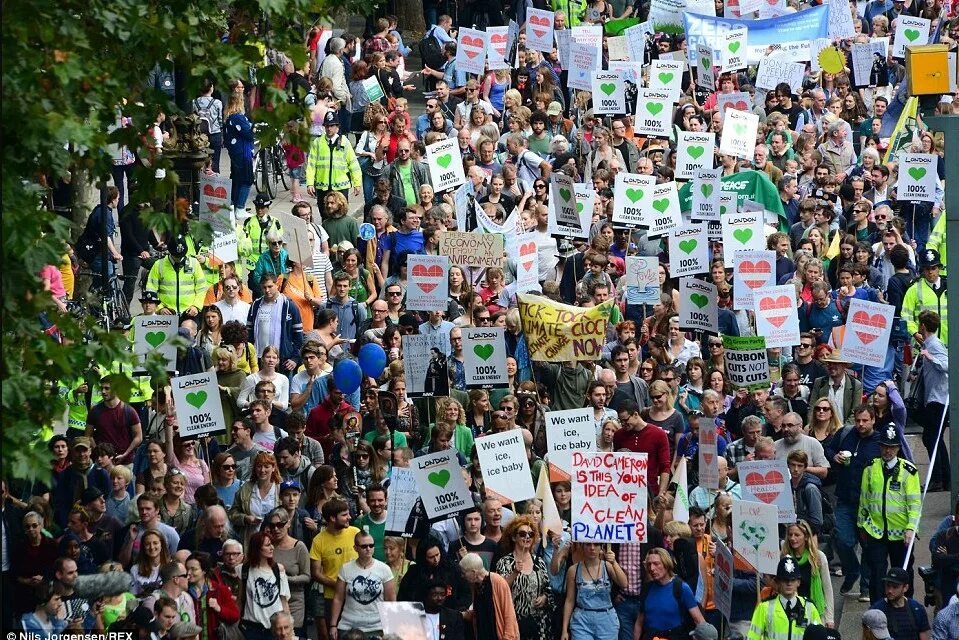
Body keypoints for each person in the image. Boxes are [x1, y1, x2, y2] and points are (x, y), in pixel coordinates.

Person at [859, 422, 922, 603]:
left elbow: (915, 503)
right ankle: (877, 610)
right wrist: (861, 525)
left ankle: (905, 608)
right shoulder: (870, 468)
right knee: (877, 573)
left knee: (902, 572)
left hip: (901, 533)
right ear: (880, 446)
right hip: (876, 531)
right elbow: (864, 499)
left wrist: (911, 528)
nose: (888, 451)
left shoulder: (909, 471)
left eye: (892, 447)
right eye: (885, 446)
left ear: (898, 448)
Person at [328, 530, 395, 638]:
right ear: (356, 548)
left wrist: (390, 626)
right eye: (364, 546)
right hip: (348, 626)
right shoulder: (346, 568)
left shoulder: (384, 569)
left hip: (376, 627)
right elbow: (338, 598)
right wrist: (333, 625)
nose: (368, 549)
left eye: (371, 545)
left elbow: (390, 599)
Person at [309, 499, 359, 640]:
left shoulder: (356, 533)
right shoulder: (319, 540)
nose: (349, 517)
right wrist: (338, 585)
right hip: (329, 596)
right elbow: (316, 573)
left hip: (353, 595)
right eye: (344, 515)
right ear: (332, 518)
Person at [560, 542, 627, 640]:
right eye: (588, 544)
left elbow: (624, 584)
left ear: (601, 547)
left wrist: (614, 562)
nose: (592, 548)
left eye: (596, 544)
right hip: (582, 620)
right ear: (582, 546)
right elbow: (569, 600)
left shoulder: (607, 566)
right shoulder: (573, 570)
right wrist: (564, 630)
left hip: (607, 619)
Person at [634, 548, 705, 639]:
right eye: (649, 564)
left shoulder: (681, 588)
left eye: (656, 564)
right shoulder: (647, 589)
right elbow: (639, 623)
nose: (652, 568)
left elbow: (699, 621)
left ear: (666, 564)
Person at [915, 309, 951, 492]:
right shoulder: (928, 344)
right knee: (934, 438)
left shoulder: (934, 345)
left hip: (939, 400)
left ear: (923, 326)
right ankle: (945, 478)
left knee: (931, 438)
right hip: (934, 398)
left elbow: (947, 365)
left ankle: (938, 479)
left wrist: (930, 358)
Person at [747, 556, 823, 640]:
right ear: (778, 582)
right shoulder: (764, 608)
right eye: (785, 580)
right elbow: (752, 637)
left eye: (792, 579)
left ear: (798, 582)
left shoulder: (809, 608)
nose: (789, 583)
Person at [305, 111, 362, 216]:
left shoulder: (345, 142)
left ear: (337, 127)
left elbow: (353, 164)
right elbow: (311, 165)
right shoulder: (317, 143)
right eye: (326, 126)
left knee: (340, 215)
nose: (329, 128)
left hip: (341, 187)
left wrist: (357, 183)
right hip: (322, 186)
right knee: (324, 215)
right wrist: (309, 183)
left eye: (332, 126)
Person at [239, 532, 291, 640]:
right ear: (257, 548)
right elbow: (241, 598)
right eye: (267, 545)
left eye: (271, 544)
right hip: (252, 627)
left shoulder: (278, 569)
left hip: (275, 628)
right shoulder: (244, 570)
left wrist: (290, 628)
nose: (272, 547)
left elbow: (284, 601)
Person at [145, 234, 208, 319]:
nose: (178, 258)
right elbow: (151, 289)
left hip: (189, 312)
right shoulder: (159, 265)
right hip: (166, 313)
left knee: (188, 329)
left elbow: (201, 288)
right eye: (176, 256)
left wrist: (196, 306)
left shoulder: (194, 263)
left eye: (181, 256)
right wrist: (160, 308)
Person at [461, 552, 521, 640]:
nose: (462, 576)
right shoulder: (475, 586)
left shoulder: (498, 582)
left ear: (474, 572)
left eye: (464, 572)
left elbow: (509, 613)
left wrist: (508, 637)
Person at [869, 567, 930, 640]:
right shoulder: (876, 610)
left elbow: (923, 636)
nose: (890, 590)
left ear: (905, 588)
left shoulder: (917, 609)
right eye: (888, 586)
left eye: (895, 587)